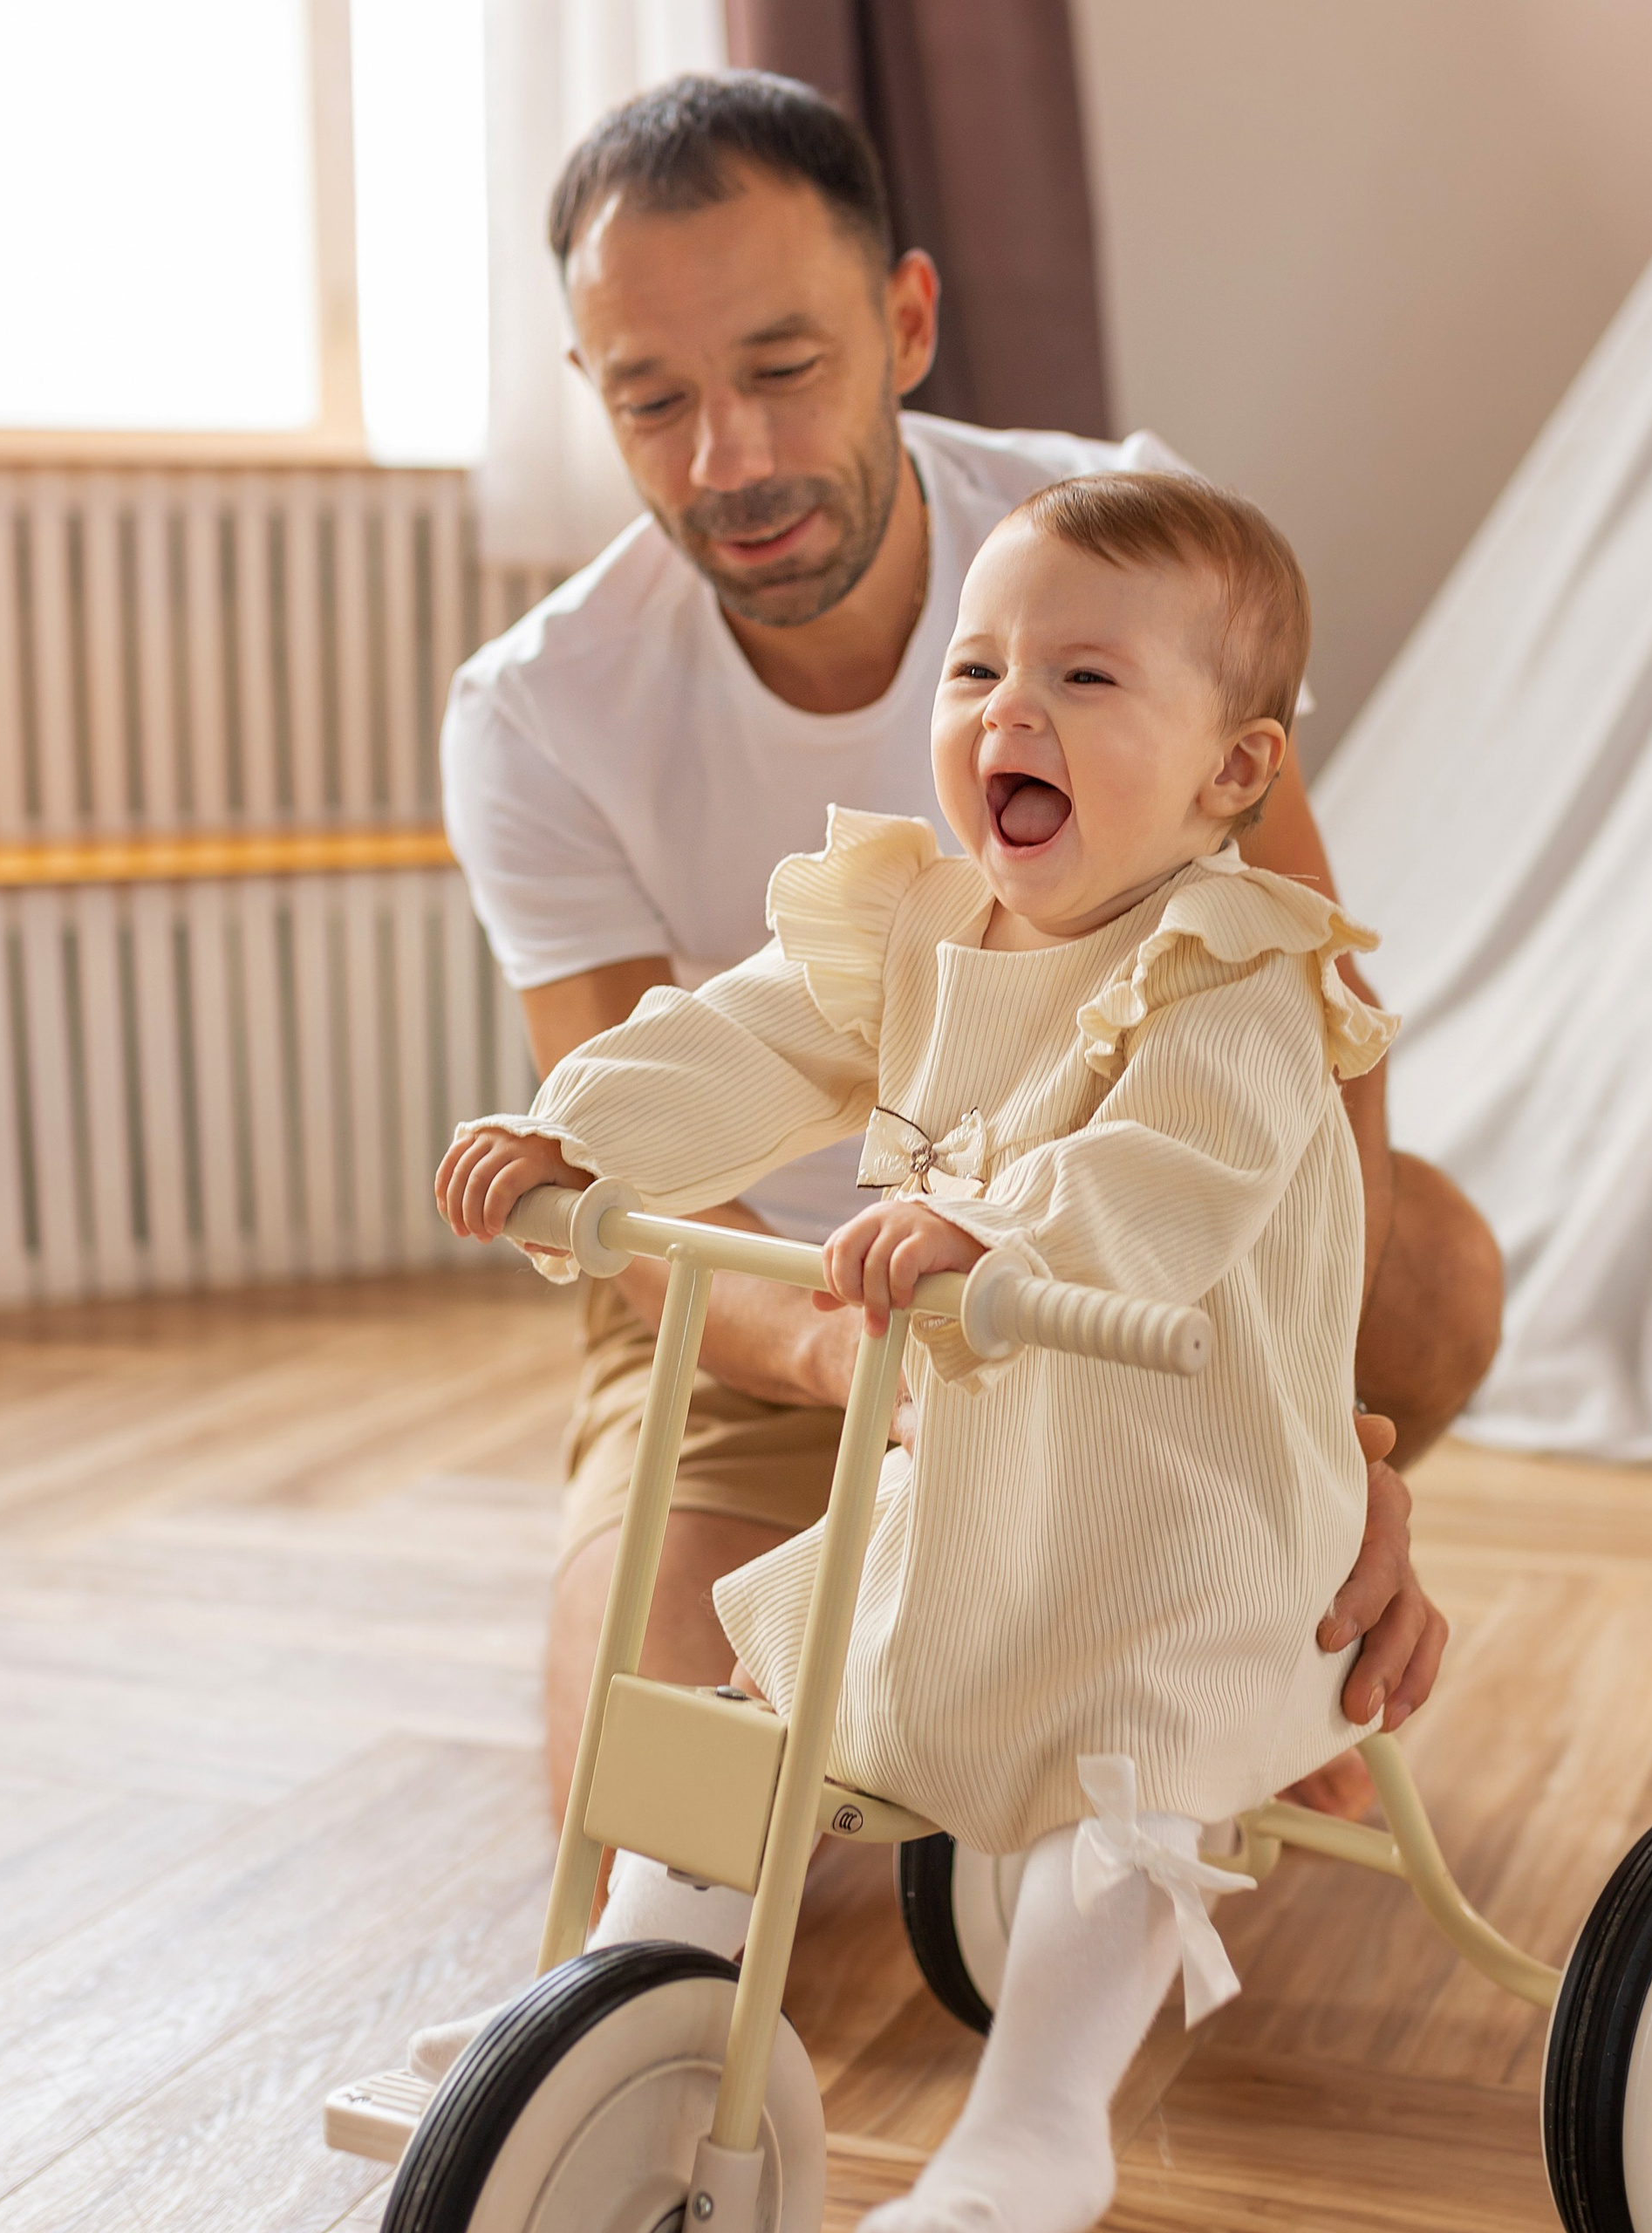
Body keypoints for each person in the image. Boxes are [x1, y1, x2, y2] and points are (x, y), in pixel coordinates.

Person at [440, 72, 1499, 1834]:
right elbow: (693, 1097)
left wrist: (1315, 1457)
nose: (734, 460)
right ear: (588, 396)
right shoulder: (542, 713)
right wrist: (622, 1170)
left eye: (783, 368)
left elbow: (1307, 1009)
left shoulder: (1134, 553)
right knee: (651, 1811)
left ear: (905, 320)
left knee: (1426, 1269)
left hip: (1098, 1272)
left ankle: (1215, 1629)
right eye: (655, 397)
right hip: (772, 1312)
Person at [441, 469, 1393, 2233]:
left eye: (1084, 681)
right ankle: (619, 1998)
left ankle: (1037, 2124)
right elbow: (748, 1030)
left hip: (1195, 1506)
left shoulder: (1235, 977)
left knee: (1126, 1759)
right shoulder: (932, 925)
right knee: (773, 1685)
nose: (1007, 709)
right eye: (972, 672)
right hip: (968, 1464)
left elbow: (1168, 1169)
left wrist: (991, 1226)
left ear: (1231, 770)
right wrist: (587, 1136)